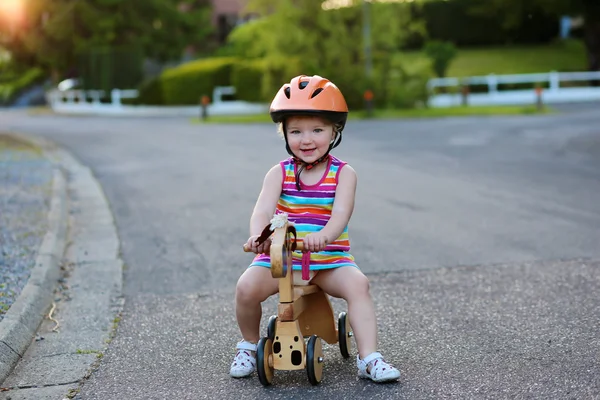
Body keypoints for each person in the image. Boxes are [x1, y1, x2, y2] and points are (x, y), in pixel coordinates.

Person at [230, 75, 400, 383]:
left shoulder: (343, 174)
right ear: (284, 133)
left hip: (327, 261)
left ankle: (370, 357)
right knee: (245, 289)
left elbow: (340, 215)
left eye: (317, 130)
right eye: (296, 131)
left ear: (335, 131)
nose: (306, 140)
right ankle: (248, 346)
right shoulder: (278, 172)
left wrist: (324, 236)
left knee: (358, 285)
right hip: (282, 259)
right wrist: (259, 235)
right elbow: (263, 210)